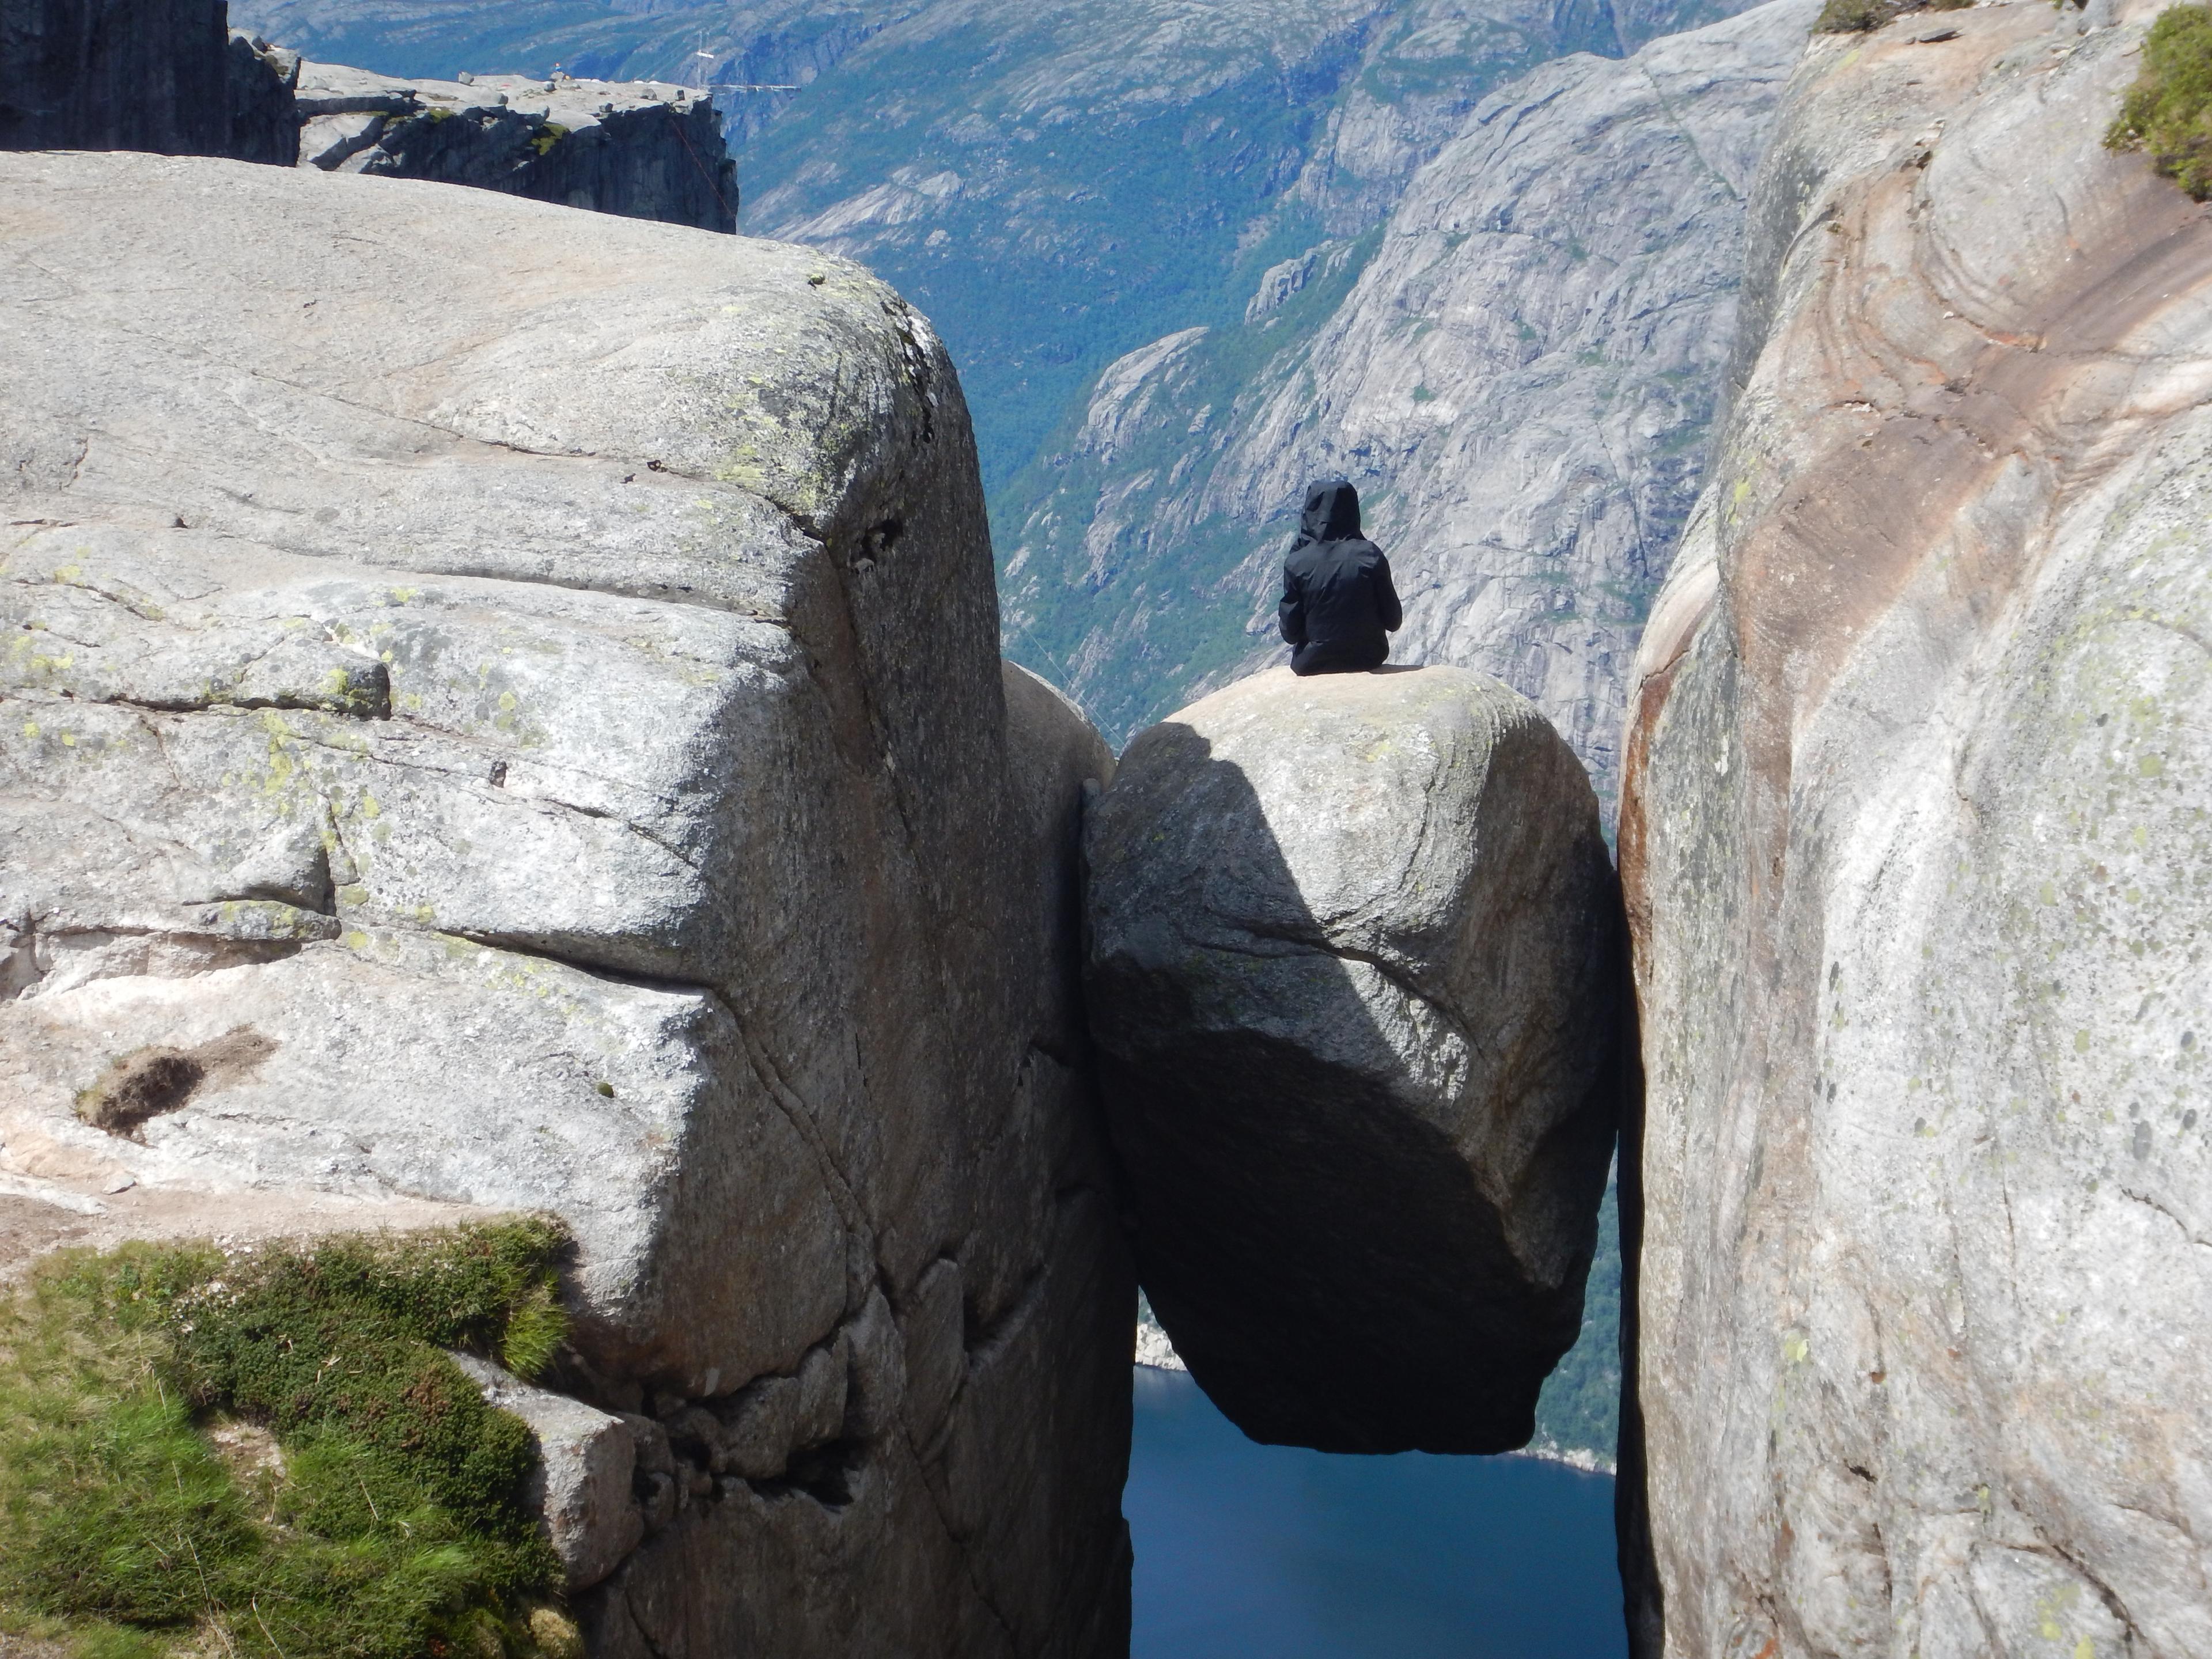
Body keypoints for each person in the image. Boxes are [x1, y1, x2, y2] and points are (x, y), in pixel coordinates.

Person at [1277, 478, 1403, 675]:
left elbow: (1290, 633)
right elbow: (1393, 621)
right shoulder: (1370, 555)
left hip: (1312, 662)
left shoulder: (1297, 563)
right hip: (1368, 657)